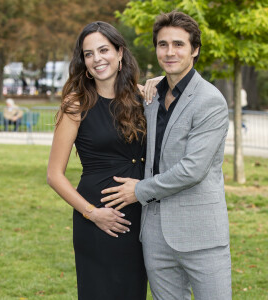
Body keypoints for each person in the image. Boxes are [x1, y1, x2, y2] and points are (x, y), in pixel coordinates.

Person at [101, 11, 232, 300]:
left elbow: (193, 170)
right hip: (155, 235)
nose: (170, 52)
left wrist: (139, 190)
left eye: (179, 44)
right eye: (163, 45)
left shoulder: (210, 101)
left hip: (202, 235)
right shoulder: (150, 96)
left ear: (195, 50)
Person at [47, 21, 148, 300]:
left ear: (119, 53)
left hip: (140, 215)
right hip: (98, 217)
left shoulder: (143, 98)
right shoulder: (76, 104)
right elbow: (54, 174)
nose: (96, 59)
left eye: (103, 50)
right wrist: (92, 213)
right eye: (88, 54)